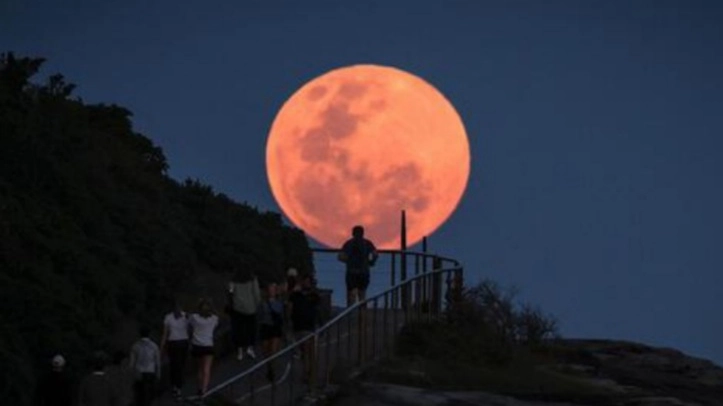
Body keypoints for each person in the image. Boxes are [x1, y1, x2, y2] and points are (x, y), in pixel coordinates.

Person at [287, 274, 320, 384]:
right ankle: (308, 372)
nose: (306, 284)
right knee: (304, 351)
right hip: (298, 326)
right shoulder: (295, 295)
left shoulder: (313, 295)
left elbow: (317, 305)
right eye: (304, 281)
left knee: (308, 351)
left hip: (309, 326)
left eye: (308, 282)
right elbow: (290, 308)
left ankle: (308, 374)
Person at [338, 225, 379, 306]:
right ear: (363, 233)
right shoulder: (367, 243)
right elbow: (375, 254)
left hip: (351, 272)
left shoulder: (348, 243)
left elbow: (340, 256)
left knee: (351, 295)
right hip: (364, 272)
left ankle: (350, 314)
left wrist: (347, 261)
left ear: (353, 233)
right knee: (362, 294)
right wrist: (371, 262)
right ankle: (362, 315)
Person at [227, 268, 261, 361]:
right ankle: (250, 347)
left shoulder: (233, 280)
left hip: (237, 308)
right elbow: (256, 293)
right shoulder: (252, 279)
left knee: (238, 330)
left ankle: (240, 350)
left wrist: (231, 303)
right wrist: (257, 304)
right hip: (251, 308)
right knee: (251, 329)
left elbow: (230, 292)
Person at [160, 299, 189, 398]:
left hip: (182, 342)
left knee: (179, 365)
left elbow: (191, 328)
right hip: (175, 343)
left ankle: (177, 386)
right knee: (175, 365)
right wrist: (162, 345)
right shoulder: (169, 318)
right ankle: (176, 386)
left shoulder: (185, 316)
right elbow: (165, 333)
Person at [189, 297, 218, 397]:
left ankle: (199, 388)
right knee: (207, 369)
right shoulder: (214, 319)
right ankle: (204, 390)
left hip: (197, 345)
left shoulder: (194, 317)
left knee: (199, 368)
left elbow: (190, 324)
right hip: (208, 345)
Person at [257, 282, 284, 381]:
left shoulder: (279, 302)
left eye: (273, 289)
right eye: (270, 289)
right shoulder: (262, 303)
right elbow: (259, 316)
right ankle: (269, 367)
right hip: (265, 327)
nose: (271, 291)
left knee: (273, 350)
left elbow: (280, 313)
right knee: (266, 351)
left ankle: (272, 370)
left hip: (275, 328)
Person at [129, 326, 161, 406]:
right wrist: (158, 373)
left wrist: (131, 374)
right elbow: (157, 361)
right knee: (150, 393)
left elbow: (132, 362)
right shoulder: (154, 346)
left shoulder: (135, 346)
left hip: (139, 371)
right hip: (150, 371)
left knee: (140, 394)